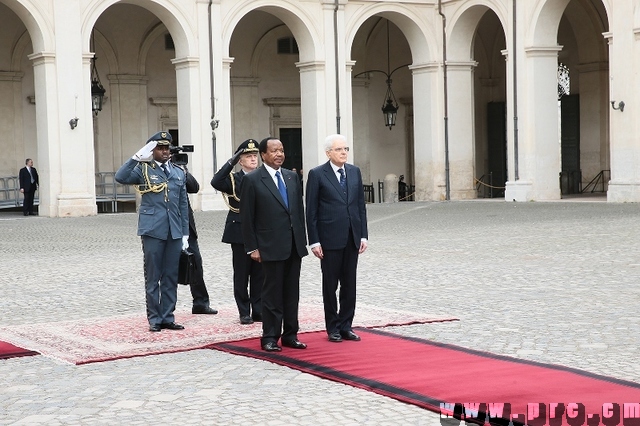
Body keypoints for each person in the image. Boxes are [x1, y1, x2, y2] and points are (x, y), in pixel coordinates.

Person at [115, 131, 190, 332]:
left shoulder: (178, 172)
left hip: (174, 230)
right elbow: (120, 177)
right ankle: (154, 319)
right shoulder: (143, 169)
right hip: (152, 230)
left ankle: (168, 316)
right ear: (152, 150)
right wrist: (136, 157)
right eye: (160, 148)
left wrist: (185, 233)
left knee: (170, 276)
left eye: (167, 148)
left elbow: (182, 204)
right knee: (153, 276)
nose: (165, 152)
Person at [240, 137, 308, 352]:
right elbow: (247, 217)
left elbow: (297, 212)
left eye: (281, 150)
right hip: (269, 246)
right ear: (263, 155)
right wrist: (252, 247)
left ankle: (291, 335)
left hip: (293, 246)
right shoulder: (252, 180)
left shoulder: (291, 177)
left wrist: (302, 240)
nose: (279, 154)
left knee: (291, 293)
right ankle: (269, 336)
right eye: (274, 151)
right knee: (271, 294)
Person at [305, 134, 368, 343]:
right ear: (328, 153)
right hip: (329, 240)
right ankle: (332, 327)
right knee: (330, 286)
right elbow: (311, 210)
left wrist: (363, 235)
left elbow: (360, 206)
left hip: (352, 238)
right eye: (339, 149)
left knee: (350, 285)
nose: (344, 152)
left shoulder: (354, 172)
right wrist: (314, 241)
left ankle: (346, 325)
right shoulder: (317, 174)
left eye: (346, 149)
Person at [211, 139, 264, 325]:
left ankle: (258, 310)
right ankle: (244, 311)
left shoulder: (263, 176)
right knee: (242, 274)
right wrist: (231, 161)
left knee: (259, 274)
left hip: (259, 230)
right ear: (240, 160)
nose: (252, 159)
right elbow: (216, 181)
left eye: (254, 156)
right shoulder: (234, 179)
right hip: (239, 231)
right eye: (248, 156)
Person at [182, 165, 218, 315]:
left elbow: (194, 187)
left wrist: (184, 170)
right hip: (165, 226)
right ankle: (163, 309)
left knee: (195, 264)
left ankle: (200, 302)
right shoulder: (153, 170)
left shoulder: (180, 170)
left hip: (186, 226)